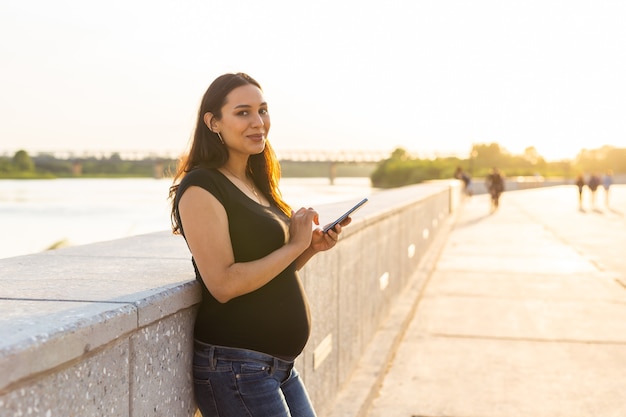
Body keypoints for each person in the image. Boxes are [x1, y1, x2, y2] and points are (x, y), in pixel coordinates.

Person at [168, 73, 349, 417]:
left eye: (263, 110)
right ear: (213, 122)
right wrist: (293, 246)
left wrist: (309, 247)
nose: (258, 122)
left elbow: (270, 271)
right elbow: (223, 284)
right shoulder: (201, 187)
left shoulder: (255, 181)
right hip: (237, 367)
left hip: (276, 367)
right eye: (243, 112)